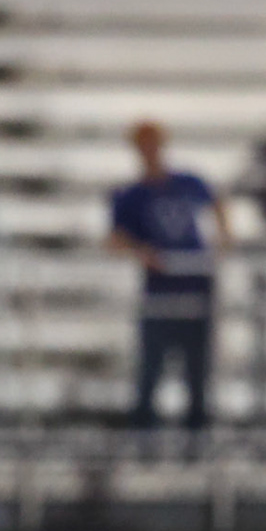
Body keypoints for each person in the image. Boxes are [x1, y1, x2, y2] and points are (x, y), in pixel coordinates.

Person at [107, 120, 231, 436]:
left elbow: (217, 201)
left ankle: (197, 430)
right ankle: (145, 430)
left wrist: (223, 238)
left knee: (197, 367)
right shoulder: (132, 196)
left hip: (195, 285)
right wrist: (141, 251)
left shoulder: (186, 182)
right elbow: (114, 239)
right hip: (160, 290)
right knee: (152, 365)